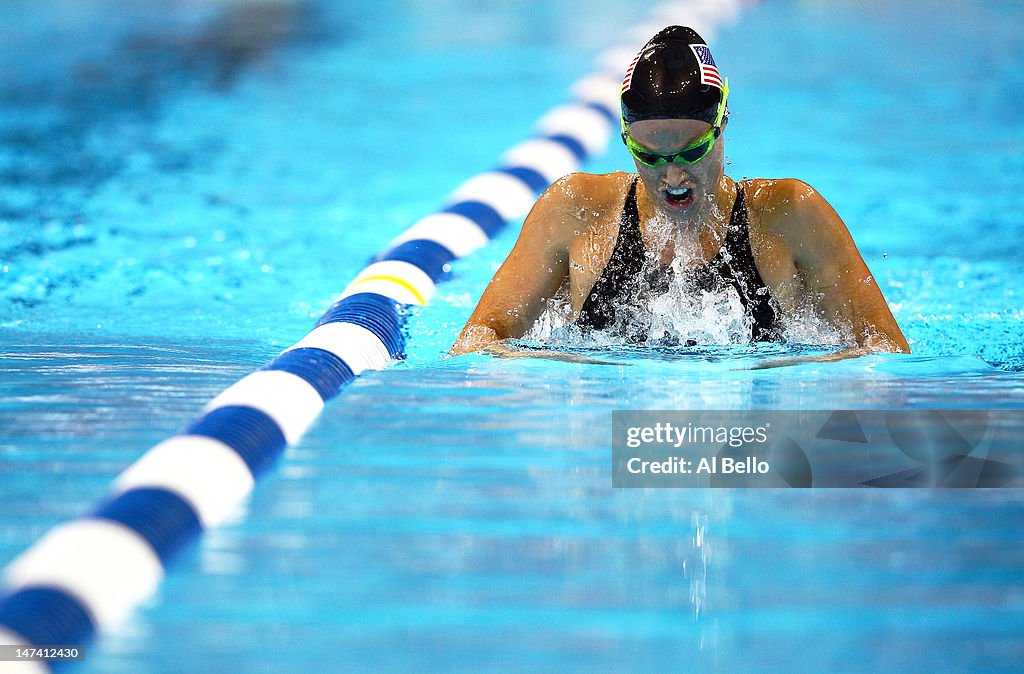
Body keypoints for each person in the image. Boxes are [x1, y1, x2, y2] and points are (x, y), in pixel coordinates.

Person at [449, 26, 908, 363]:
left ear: (722, 122)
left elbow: (887, 350)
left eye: (691, 151)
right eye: (648, 156)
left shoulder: (789, 214)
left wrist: (783, 371)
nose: (672, 176)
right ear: (626, 137)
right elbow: (474, 344)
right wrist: (573, 367)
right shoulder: (577, 210)